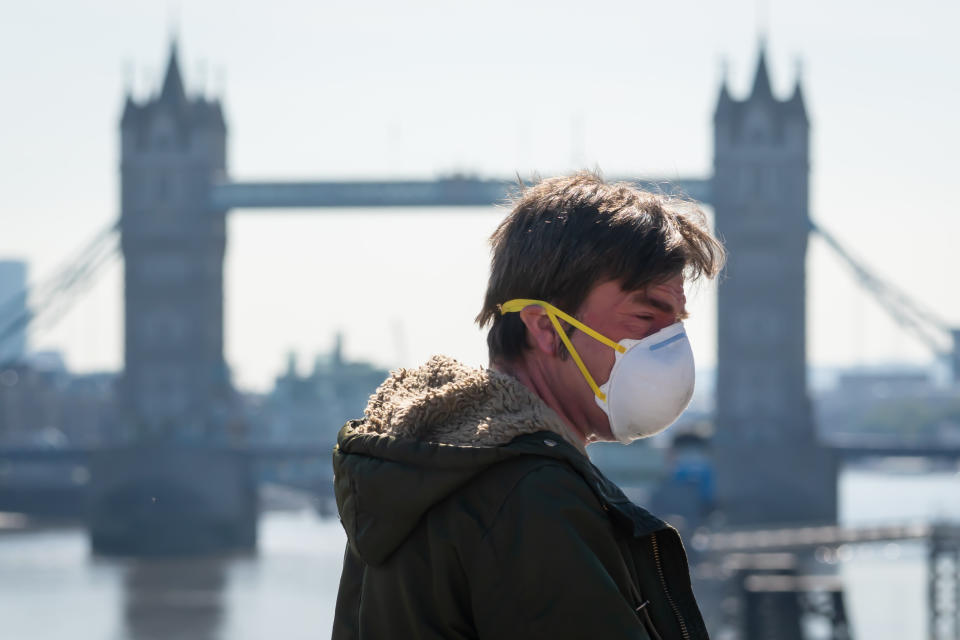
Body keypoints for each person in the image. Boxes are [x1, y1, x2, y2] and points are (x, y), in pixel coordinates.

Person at [332, 172, 725, 639]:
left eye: (675, 325)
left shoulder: (414, 476)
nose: (670, 347)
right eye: (645, 318)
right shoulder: (531, 497)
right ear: (545, 328)